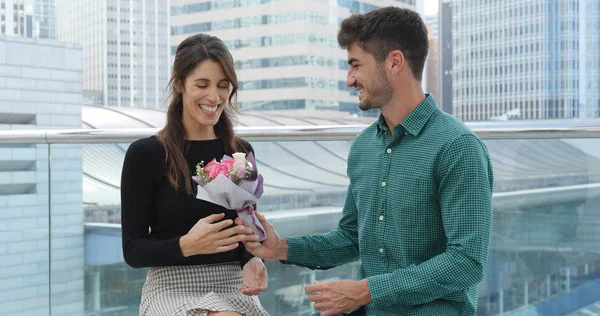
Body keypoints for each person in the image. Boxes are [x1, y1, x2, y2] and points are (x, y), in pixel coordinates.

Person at [237, 6, 494, 316]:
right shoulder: (363, 148)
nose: (350, 80)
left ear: (395, 62)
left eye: (356, 65)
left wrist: (366, 290)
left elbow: (466, 262)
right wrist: (282, 248)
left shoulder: (458, 147)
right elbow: (351, 238)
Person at [120, 33, 269, 316]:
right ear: (179, 84)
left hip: (232, 286)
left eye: (223, 86)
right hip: (171, 287)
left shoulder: (240, 152)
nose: (214, 97)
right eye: (202, 84)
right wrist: (185, 245)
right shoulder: (146, 154)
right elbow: (133, 249)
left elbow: (248, 228)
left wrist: (253, 258)